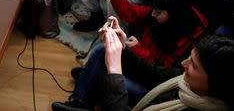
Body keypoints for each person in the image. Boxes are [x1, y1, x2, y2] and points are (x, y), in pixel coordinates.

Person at [52, 22, 233, 111]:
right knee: (101, 52)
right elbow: (152, 71)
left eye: (193, 65)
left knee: (105, 74)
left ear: (214, 85)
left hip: (144, 96)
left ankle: (91, 78)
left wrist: (114, 69)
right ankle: (79, 101)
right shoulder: (185, 81)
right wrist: (123, 48)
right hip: (150, 93)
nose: (184, 64)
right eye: (189, 58)